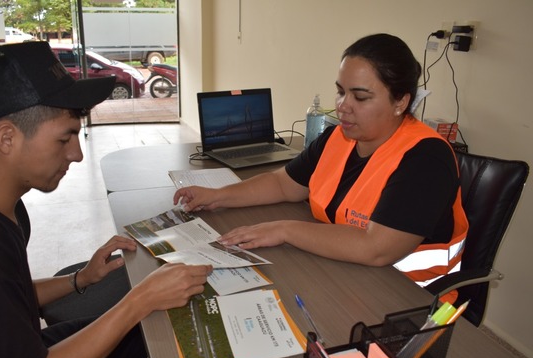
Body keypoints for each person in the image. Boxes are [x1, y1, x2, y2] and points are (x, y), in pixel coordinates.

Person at [0, 41, 212, 358]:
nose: (77, 154)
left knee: (140, 328)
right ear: (7, 137)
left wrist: (81, 279)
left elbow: (2, 296)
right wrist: (139, 298)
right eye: (65, 138)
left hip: (6, 349)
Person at [174, 33, 468, 301]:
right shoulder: (338, 136)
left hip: (410, 296)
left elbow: (377, 248)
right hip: (345, 274)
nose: (343, 106)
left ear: (401, 102)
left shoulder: (426, 157)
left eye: (360, 96)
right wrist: (218, 195)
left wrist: (284, 230)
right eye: (340, 91)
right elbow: (283, 184)